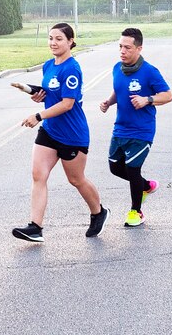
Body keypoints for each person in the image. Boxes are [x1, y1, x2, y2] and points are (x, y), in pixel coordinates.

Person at [12, 22, 108, 242]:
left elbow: (67, 103)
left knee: (76, 179)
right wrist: (35, 93)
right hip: (50, 131)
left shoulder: (72, 68)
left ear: (70, 42)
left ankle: (99, 212)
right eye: (50, 38)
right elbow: (50, 93)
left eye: (59, 39)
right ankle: (35, 227)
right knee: (38, 175)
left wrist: (38, 116)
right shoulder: (48, 65)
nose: (53, 43)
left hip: (72, 134)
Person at [99, 27, 172, 227]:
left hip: (142, 130)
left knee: (133, 170)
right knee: (115, 168)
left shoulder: (149, 71)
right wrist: (108, 102)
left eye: (127, 48)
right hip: (120, 128)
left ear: (139, 48)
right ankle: (146, 185)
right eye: (120, 47)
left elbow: (167, 95)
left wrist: (147, 99)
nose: (122, 51)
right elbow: (118, 90)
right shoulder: (117, 68)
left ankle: (136, 211)